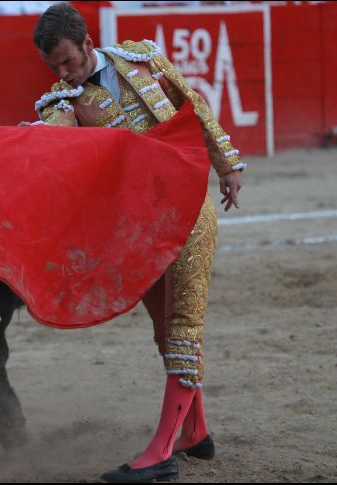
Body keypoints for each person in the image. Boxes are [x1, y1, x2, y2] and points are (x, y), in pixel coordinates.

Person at [27, 3, 244, 482]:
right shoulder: (62, 101)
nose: (63, 74)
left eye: (68, 61)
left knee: (183, 327)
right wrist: (33, 138)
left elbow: (192, 104)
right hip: (140, 227)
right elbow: (55, 138)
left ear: (87, 44)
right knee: (165, 331)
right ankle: (195, 432)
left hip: (188, 205)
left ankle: (161, 452)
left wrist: (226, 162)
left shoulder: (142, 58)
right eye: (54, 67)